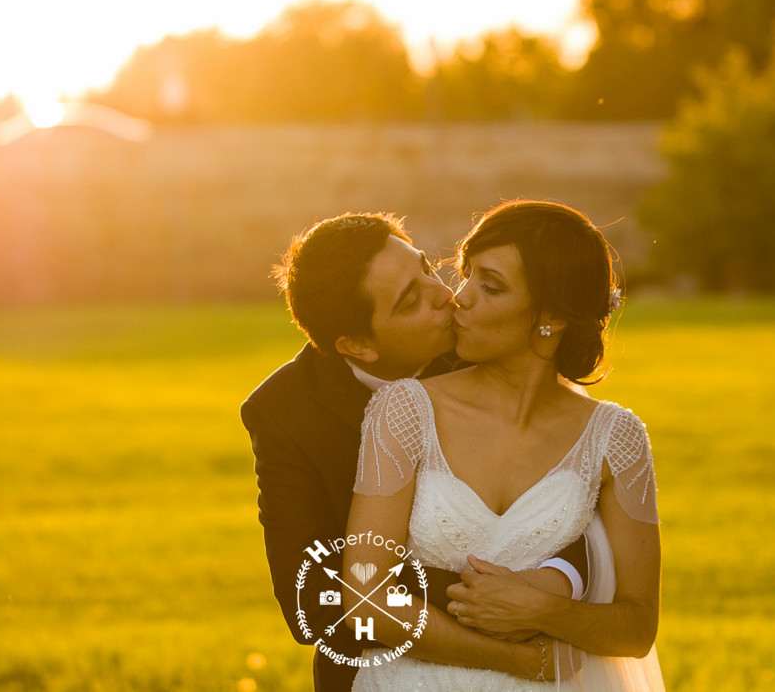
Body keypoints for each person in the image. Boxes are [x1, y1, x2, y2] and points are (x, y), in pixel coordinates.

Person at [241, 212, 589, 691]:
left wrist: (553, 584)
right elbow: (313, 605)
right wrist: (490, 610)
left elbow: (572, 491)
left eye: (425, 268)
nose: (445, 295)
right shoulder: (283, 411)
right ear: (358, 345)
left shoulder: (485, 343)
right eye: (410, 301)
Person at [343, 201, 665, 690]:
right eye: (466, 274)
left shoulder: (616, 440)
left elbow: (637, 629)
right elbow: (364, 596)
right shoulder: (405, 411)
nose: (459, 298)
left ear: (551, 316)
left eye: (489, 286)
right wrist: (517, 660)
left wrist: (543, 609)